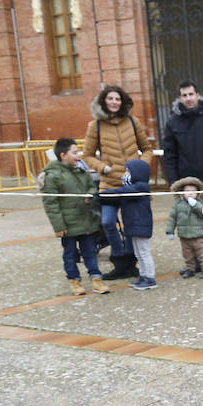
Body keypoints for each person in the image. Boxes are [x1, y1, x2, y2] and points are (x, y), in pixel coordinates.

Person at [84, 84, 151, 281]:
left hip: (131, 185)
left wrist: (141, 167)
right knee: (107, 222)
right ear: (104, 101)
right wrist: (103, 167)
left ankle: (130, 263)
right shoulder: (95, 125)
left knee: (132, 226)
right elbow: (87, 155)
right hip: (109, 184)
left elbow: (147, 148)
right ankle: (118, 257)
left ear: (122, 102)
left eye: (117, 99)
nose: (114, 102)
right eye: (110, 98)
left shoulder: (132, 122)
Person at [41, 138, 108, 296]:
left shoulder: (81, 171)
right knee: (70, 254)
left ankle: (96, 279)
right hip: (68, 225)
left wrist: (91, 196)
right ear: (63, 155)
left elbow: (91, 186)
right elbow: (51, 203)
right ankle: (74, 281)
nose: (78, 156)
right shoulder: (52, 176)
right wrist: (58, 226)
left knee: (90, 252)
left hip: (86, 221)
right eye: (74, 152)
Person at [99, 158, 158, 290]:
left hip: (141, 226)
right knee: (138, 253)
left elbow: (119, 192)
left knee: (144, 252)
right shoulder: (131, 188)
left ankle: (150, 278)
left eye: (128, 172)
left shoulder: (140, 187)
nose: (125, 175)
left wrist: (101, 194)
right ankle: (143, 276)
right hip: (133, 226)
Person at [161, 80, 203, 189]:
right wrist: (173, 182)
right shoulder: (172, 122)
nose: (188, 98)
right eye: (184, 95)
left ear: (197, 95)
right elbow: (169, 155)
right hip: (185, 184)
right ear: (180, 98)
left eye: (191, 94)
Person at [166, 176, 203, 278]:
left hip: (198, 236)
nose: (190, 193)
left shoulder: (201, 203)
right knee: (187, 255)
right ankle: (190, 269)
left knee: (202, 255)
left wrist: (195, 205)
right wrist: (170, 231)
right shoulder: (178, 204)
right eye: (187, 191)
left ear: (198, 193)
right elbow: (172, 218)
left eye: (193, 191)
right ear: (182, 192)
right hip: (184, 236)